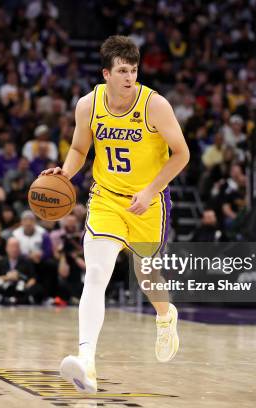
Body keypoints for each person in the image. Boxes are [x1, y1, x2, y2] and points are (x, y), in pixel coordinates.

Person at [42, 35, 190, 393]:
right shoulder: (88, 105)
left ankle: (166, 315)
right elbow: (79, 148)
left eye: (134, 70)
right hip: (106, 198)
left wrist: (150, 190)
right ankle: (86, 361)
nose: (129, 77)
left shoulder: (155, 106)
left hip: (147, 202)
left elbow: (181, 154)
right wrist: (65, 171)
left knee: (145, 273)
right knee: (96, 274)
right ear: (106, 73)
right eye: (122, 71)